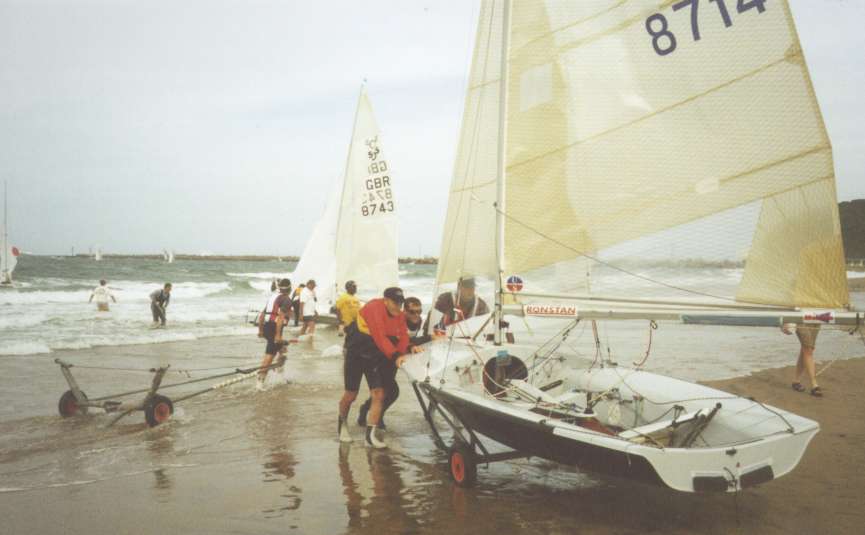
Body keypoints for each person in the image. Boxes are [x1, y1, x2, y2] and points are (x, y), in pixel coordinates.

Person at [338, 287, 421, 448]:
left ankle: (370, 437)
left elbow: (402, 335)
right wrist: (396, 356)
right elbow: (380, 336)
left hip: (373, 354)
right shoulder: (374, 308)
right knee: (351, 394)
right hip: (355, 352)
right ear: (386, 300)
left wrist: (405, 351)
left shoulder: (399, 315)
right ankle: (342, 426)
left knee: (379, 393)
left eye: (400, 303)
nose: (398, 307)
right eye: (395, 303)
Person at [356, 296, 433, 429]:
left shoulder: (418, 321)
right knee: (392, 391)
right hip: (384, 356)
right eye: (412, 312)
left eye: (419, 311)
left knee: (387, 390)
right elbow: (391, 339)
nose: (416, 315)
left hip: (397, 358)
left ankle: (366, 410)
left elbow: (410, 339)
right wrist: (427, 338)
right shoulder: (398, 319)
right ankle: (375, 417)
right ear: (405, 311)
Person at [256, 278, 293, 390]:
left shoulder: (273, 297)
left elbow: (262, 315)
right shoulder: (286, 299)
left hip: (267, 326)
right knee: (270, 355)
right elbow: (280, 318)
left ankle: (281, 374)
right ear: (290, 288)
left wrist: (261, 330)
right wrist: (278, 335)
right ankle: (260, 382)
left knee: (283, 349)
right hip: (274, 328)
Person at [782, 322, 823, 397]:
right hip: (800, 318)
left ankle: (796, 381)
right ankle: (814, 385)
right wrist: (784, 322)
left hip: (817, 317)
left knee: (806, 349)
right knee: (808, 349)